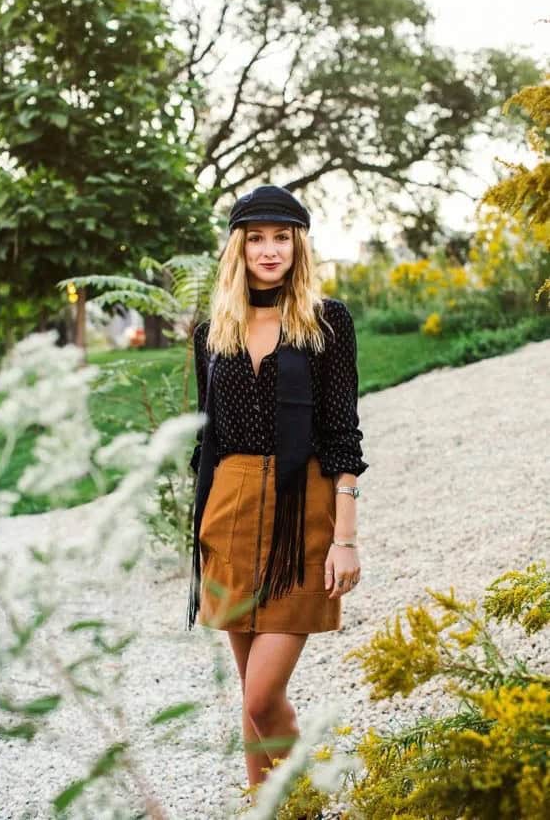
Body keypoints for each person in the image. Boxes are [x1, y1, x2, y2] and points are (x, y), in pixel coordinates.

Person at [187, 184, 369, 793]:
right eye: (257, 238)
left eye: (282, 238)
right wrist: (203, 525)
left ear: (299, 245)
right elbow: (206, 437)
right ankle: (263, 807)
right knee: (250, 697)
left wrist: (344, 536)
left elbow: (342, 430)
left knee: (264, 694)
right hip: (230, 506)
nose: (270, 250)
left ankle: (303, 804)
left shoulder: (326, 322)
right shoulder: (212, 331)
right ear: (238, 247)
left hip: (301, 508)